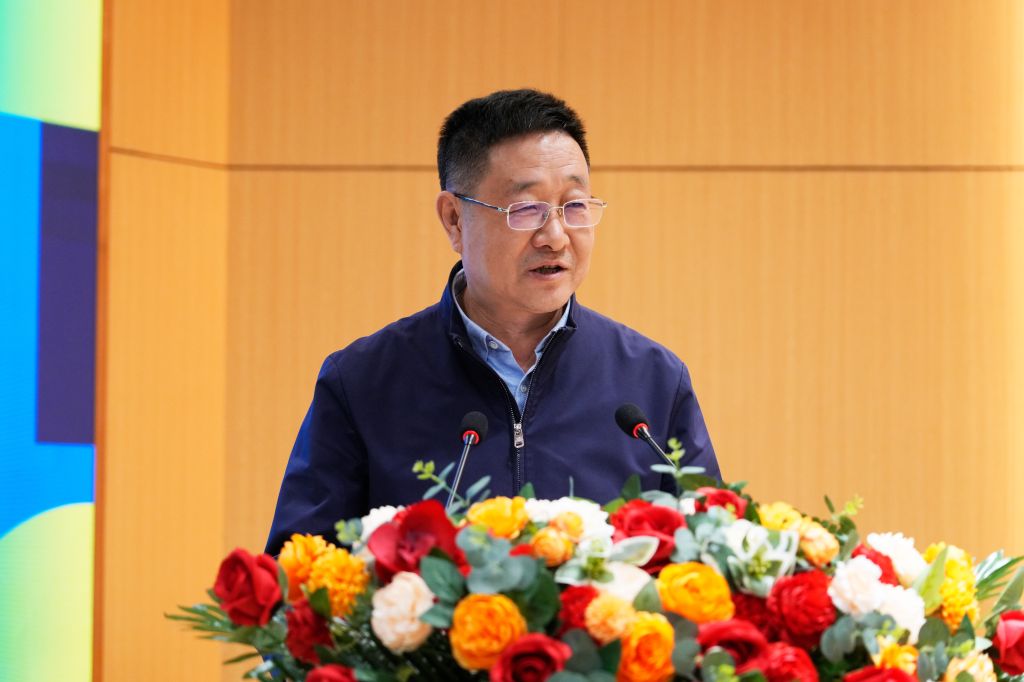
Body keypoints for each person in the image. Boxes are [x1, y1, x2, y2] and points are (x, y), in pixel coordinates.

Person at [265, 89, 720, 555]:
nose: (555, 236)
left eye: (574, 206)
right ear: (454, 220)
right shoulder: (363, 382)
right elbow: (298, 569)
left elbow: (712, 556)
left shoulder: (652, 382)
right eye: (526, 209)